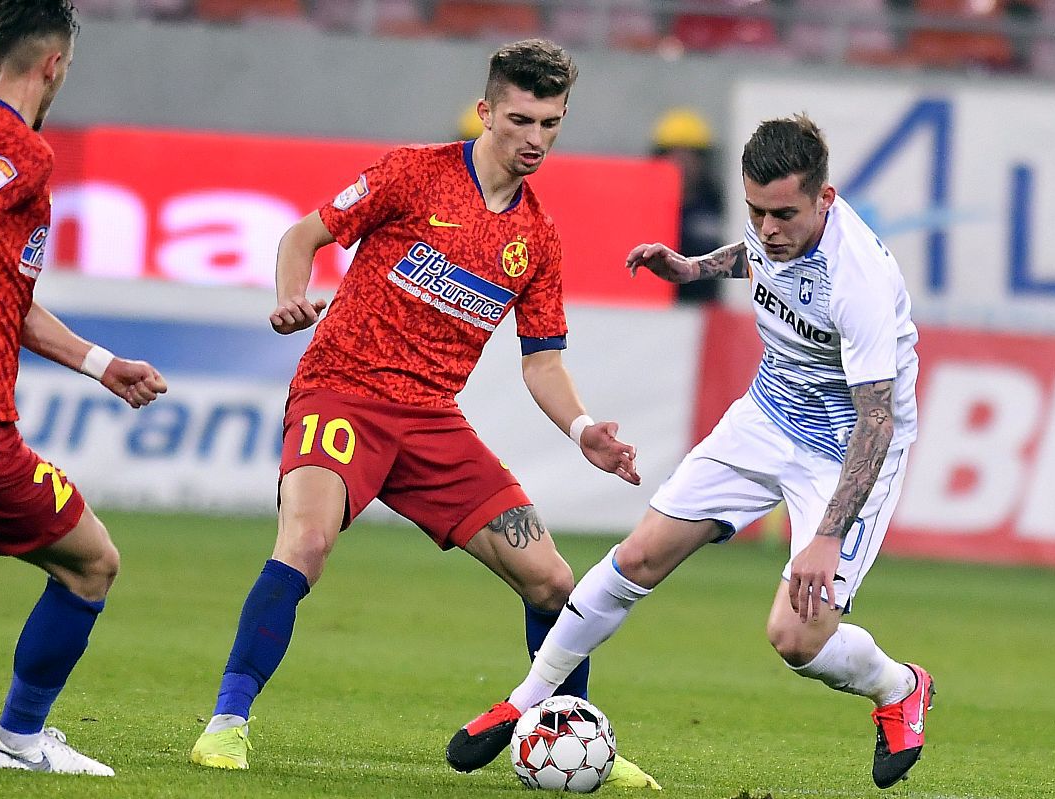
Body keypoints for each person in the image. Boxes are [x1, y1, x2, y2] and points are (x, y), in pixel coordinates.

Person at [189, 38, 659, 790]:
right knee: (306, 542)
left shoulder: (537, 237)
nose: (535, 139)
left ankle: (575, 733)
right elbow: (303, 234)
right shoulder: (415, 173)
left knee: (552, 581)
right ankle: (225, 724)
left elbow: (541, 361)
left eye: (550, 124)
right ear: (486, 112)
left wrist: (582, 430)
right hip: (342, 391)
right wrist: (289, 295)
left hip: (432, 418)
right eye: (521, 119)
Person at [448, 114, 935, 791]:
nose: (767, 228)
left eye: (783, 214)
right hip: (766, 417)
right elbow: (755, 254)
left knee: (796, 639)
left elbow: (876, 423)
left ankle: (900, 687)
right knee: (639, 555)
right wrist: (693, 266)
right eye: (756, 210)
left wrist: (825, 538)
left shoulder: (860, 283)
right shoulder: (775, 222)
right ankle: (525, 699)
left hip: (845, 452)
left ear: (825, 199)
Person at [0, 0, 167, 775]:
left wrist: (100, 364)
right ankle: (18, 738)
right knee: (92, 563)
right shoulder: (20, 147)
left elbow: (1, 294)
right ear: (54, 65)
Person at [650, 107, 726, 305]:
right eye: (674, 154)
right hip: (655, 307)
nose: (682, 164)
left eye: (690, 156)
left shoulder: (717, 205)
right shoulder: (645, 207)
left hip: (705, 307)